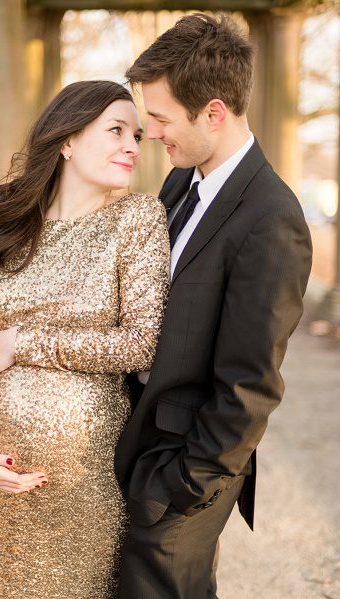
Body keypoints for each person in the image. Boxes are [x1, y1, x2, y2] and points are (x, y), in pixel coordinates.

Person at [0, 80, 170, 598]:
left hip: (87, 479)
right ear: (66, 138)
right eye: (116, 130)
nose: (133, 146)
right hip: (1, 482)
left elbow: (141, 342)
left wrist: (21, 342)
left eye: (137, 135)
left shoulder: (137, 220)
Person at [112, 14, 312, 598]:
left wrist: (183, 483)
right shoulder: (180, 183)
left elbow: (251, 387)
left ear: (214, 113)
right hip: (142, 439)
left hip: (186, 465)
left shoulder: (273, 222)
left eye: (161, 119)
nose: (151, 133)